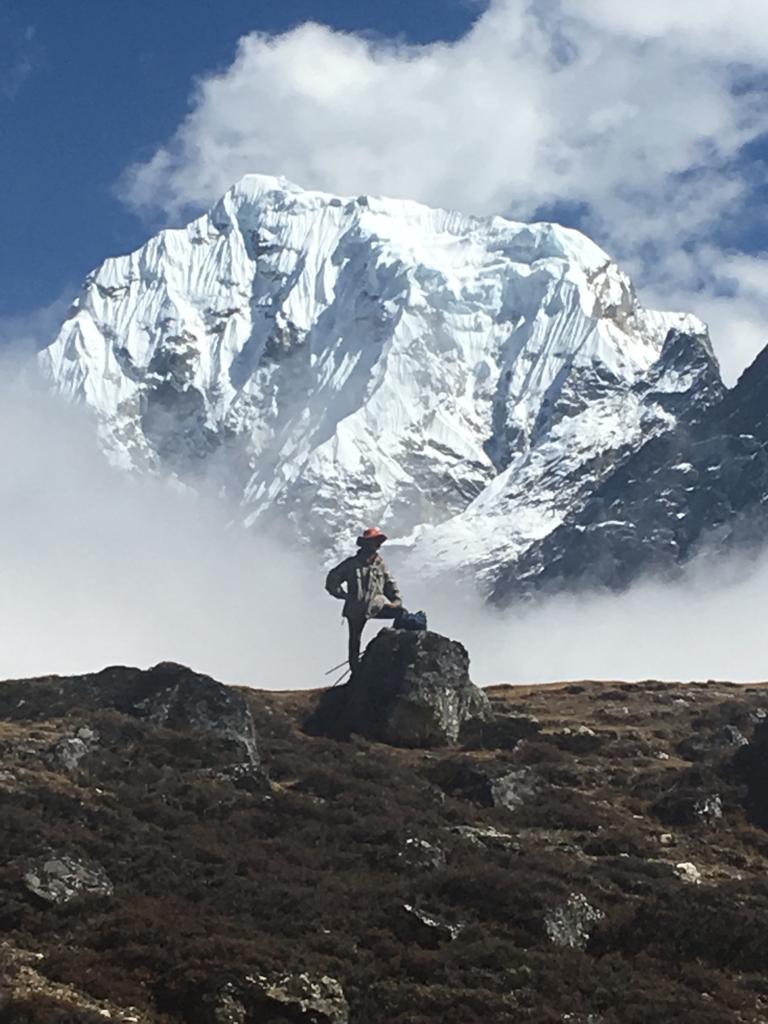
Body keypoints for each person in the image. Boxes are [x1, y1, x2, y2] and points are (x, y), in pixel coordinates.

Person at [325, 527, 407, 671]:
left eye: (377, 542)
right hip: (355, 609)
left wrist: (396, 601)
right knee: (355, 641)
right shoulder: (351, 564)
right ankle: (355, 670)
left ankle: (393, 648)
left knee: (401, 613)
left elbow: (390, 584)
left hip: (376, 606)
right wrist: (341, 594)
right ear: (365, 544)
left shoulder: (380, 565)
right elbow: (333, 578)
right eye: (374, 542)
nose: (376, 545)